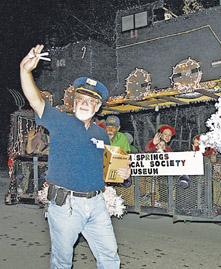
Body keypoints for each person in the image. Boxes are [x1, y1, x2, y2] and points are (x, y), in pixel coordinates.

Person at [20, 44, 130, 268]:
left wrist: (123, 173)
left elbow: (108, 168)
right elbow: (35, 101)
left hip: (97, 203)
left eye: (90, 101)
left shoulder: (102, 133)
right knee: (62, 262)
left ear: (97, 107)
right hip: (66, 205)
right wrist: (25, 71)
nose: (84, 104)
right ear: (73, 102)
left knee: (110, 258)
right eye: (80, 99)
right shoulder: (60, 121)